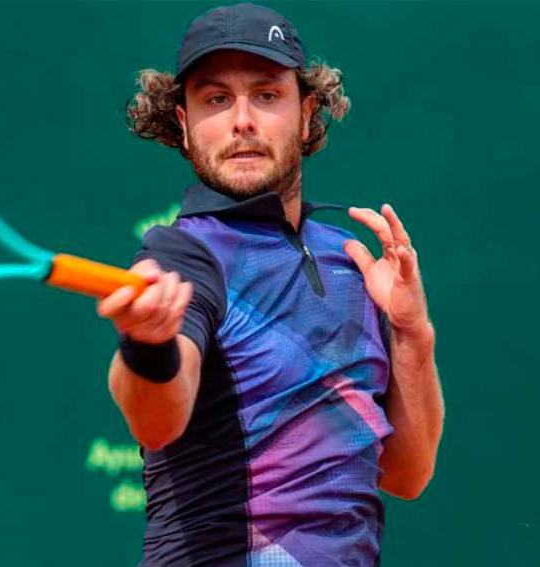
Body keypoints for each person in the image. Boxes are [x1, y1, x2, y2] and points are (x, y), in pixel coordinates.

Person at [96, 3, 445, 566]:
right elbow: (156, 421)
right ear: (183, 125)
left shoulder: (349, 257)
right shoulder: (183, 255)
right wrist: (149, 344)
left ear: (306, 115)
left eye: (265, 95)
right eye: (216, 99)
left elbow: (408, 473)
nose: (242, 121)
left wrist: (411, 333)